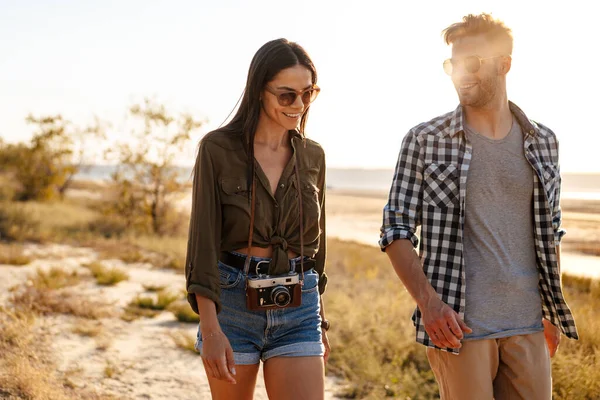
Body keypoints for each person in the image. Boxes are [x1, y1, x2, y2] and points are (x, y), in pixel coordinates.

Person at [379, 13, 578, 400]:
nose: (460, 74)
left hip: (528, 326)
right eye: (453, 65)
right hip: (459, 329)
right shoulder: (425, 139)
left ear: (504, 64)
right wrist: (430, 305)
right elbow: (396, 230)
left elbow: (550, 229)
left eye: (472, 63)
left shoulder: (544, 141)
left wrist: (550, 311)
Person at [184, 38, 329, 400]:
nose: (298, 105)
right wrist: (211, 328)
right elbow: (202, 242)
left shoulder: (313, 155)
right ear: (259, 91)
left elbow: (316, 248)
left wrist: (319, 317)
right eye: (286, 95)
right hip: (232, 305)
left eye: (307, 93)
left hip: (298, 305)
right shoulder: (218, 149)